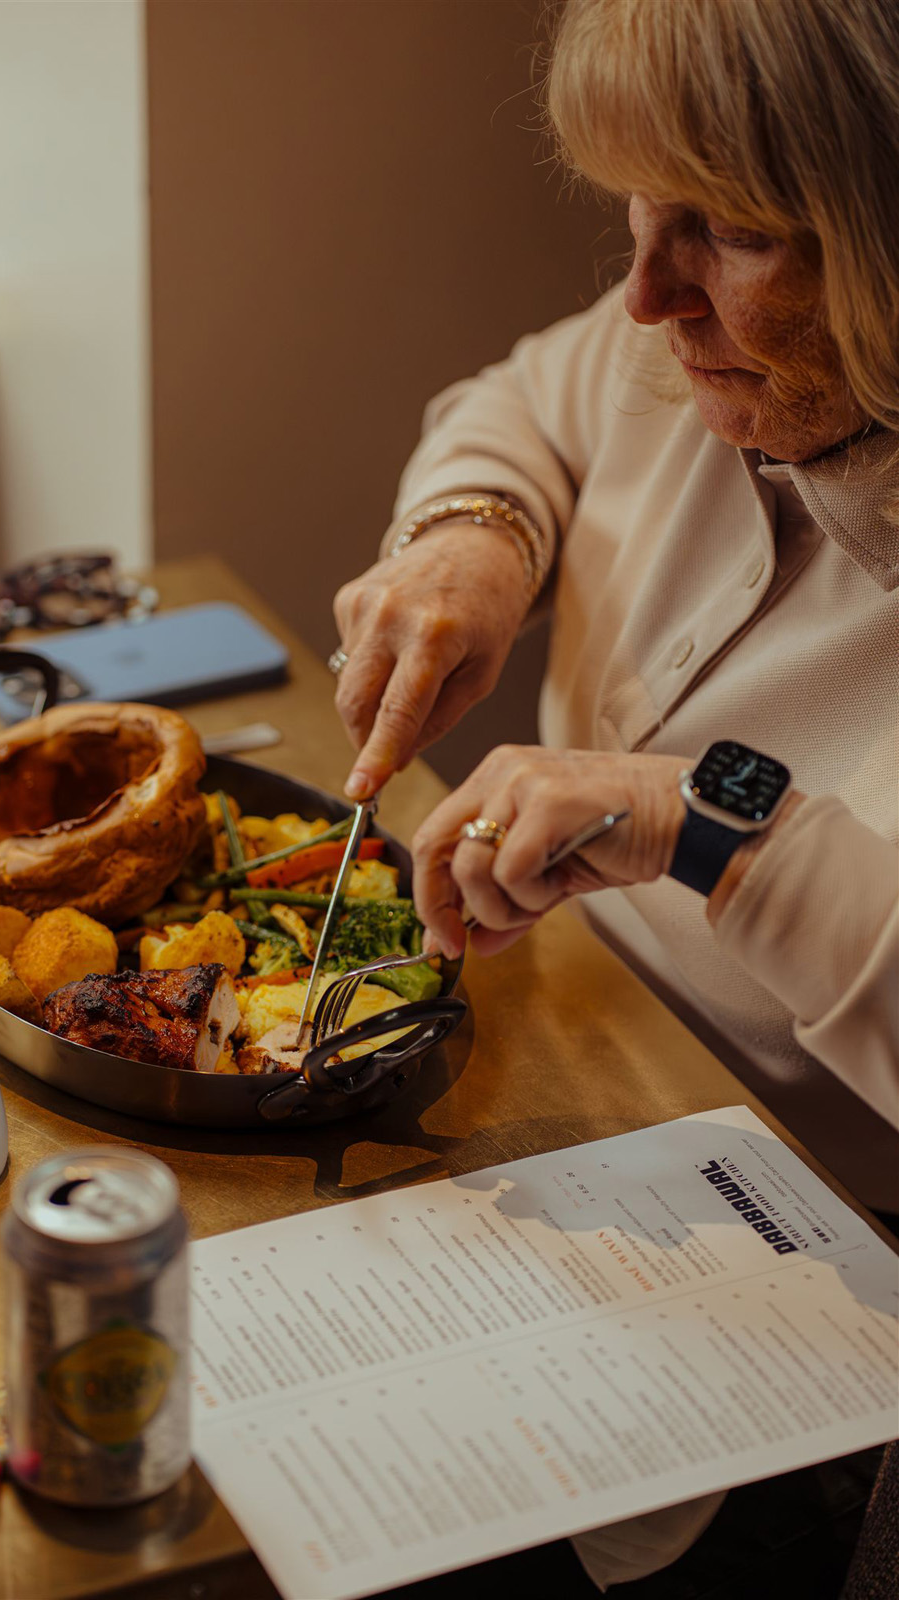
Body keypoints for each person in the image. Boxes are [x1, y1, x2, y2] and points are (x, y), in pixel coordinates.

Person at [333, 4, 898, 1586]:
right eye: (635, 218)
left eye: (721, 229)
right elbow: (527, 393)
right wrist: (474, 531)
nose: (647, 299)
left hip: (791, 1285)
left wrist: (702, 819)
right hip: (542, 1086)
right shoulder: (709, 341)